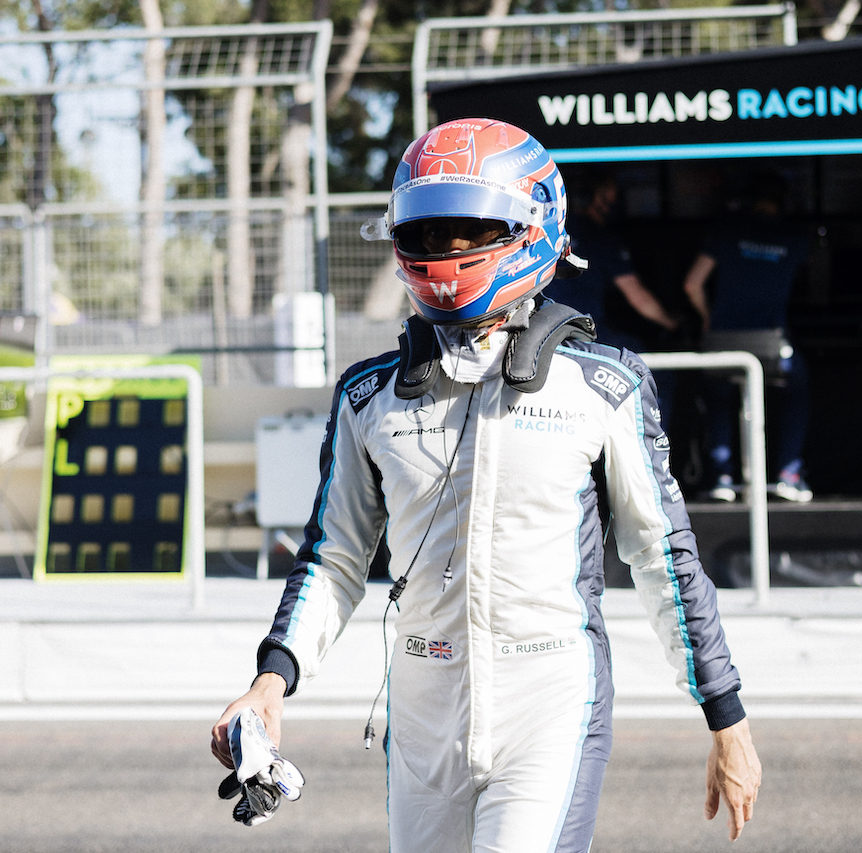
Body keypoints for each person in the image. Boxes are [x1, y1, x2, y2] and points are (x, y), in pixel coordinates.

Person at [210, 119, 761, 852]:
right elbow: (332, 558)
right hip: (419, 713)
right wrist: (269, 682)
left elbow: (664, 558)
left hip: (550, 700)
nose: (445, 253)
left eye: (468, 230)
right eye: (428, 233)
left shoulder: (606, 385)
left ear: (533, 227)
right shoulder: (367, 397)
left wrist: (727, 717)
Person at [683, 173, 813, 503]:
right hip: (771, 345)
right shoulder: (795, 237)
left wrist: (708, 318)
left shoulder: (727, 231)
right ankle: (787, 473)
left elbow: (691, 285)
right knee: (798, 388)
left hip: (722, 343)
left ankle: (722, 478)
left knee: (718, 395)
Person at [542, 169, 679, 350]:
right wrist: (672, 324)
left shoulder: (548, 234)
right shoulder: (602, 239)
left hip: (543, 334)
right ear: (591, 198)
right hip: (584, 334)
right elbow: (637, 296)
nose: (613, 203)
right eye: (608, 198)